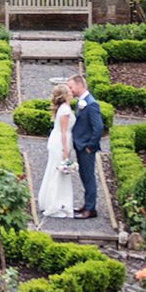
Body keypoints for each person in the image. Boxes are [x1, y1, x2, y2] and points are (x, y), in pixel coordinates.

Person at [37, 82, 77, 218]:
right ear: (65, 95)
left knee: (53, 170)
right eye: (69, 91)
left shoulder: (63, 108)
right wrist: (65, 150)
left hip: (56, 140)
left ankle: (52, 201)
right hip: (60, 142)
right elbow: (64, 132)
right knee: (58, 172)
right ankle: (55, 204)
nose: (72, 92)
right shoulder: (65, 110)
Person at [67, 73, 104, 218]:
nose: (70, 90)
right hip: (80, 145)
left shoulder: (91, 103)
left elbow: (98, 127)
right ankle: (86, 205)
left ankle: (91, 209)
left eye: (71, 87)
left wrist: (90, 145)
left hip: (86, 147)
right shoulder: (81, 102)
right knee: (84, 176)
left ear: (79, 85)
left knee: (88, 177)